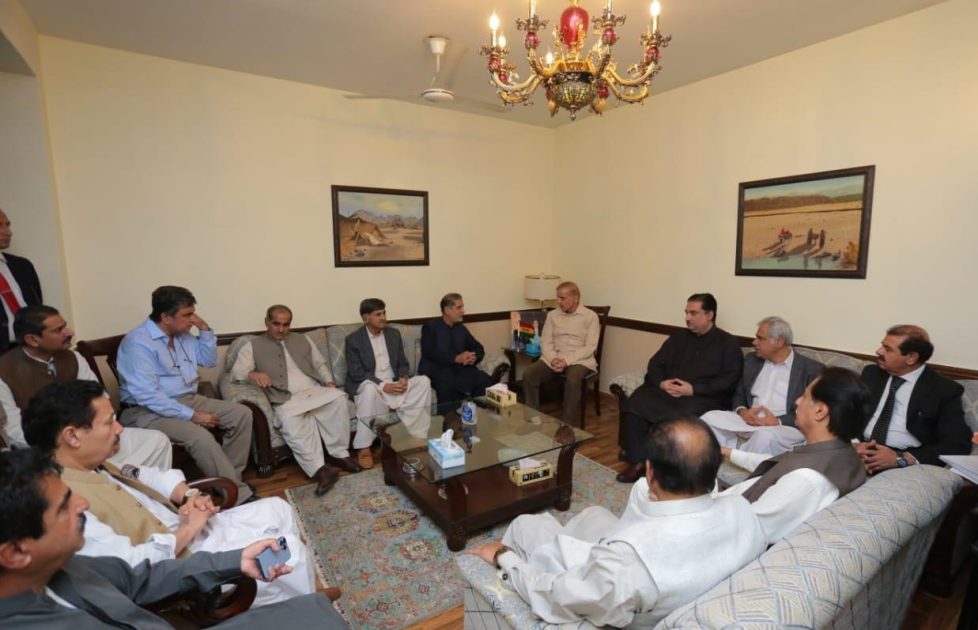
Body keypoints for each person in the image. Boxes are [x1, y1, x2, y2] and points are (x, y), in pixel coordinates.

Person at [22, 379, 319, 609]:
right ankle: (298, 607)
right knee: (292, 551)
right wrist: (187, 530)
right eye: (110, 421)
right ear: (72, 436)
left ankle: (290, 596)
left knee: (277, 509)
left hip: (189, 530)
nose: (120, 428)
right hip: (185, 562)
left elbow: (149, 475)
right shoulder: (64, 505)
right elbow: (131, 569)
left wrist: (189, 496)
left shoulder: (94, 465)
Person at [467, 416, 766, 627]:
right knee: (594, 514)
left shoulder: (625, 563)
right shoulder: (742, 510)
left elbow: (555, 597)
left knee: (525, 524)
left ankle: (522, 556)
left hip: (604, 582)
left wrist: (504, 557)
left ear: (650, 472)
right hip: (646, 569)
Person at [0, 447, 347, 628]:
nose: (83, 504)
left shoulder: (66, 567)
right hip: (176, 550)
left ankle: (306, 598)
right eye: (64, 505)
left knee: (312, 612)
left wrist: (234, 561)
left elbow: (141, 578)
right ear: (15, 552)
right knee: (314, 615)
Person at [116, 286, 254, 503]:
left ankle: (229, 483)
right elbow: (147, 395)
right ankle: (238, 496)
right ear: (165, 317)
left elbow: (209, 361)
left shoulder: (183, 335)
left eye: (193, 313)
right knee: (199, 436)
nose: (193, 319)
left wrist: (205, 329)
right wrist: (193, 416)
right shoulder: (138, 343)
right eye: (187, 315)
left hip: (187, 400)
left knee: (242, 414)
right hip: (145, 411)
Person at [0, 304, 171, 468]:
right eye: (58, 330)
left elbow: (99, 397)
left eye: (65, 326)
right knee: (99, 465)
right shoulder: (4, 371)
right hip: (45, 450)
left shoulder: (73, 358)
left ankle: (122, 483)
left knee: (156, 442)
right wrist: (65, 446)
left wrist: (101, 433)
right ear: (33, 340)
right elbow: (13, 430)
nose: (69, 332)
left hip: (90, 434)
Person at [717, 367, 871, 545]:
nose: (797, 401)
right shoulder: (840, 452)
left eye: (804, 396)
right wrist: (728, 452)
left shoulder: (805, 480)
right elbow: (779, 464)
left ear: (820, 411)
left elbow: (745, 530)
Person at [617, 293, 742, 483]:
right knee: (637, 401)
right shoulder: (678, 337)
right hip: (669, 392)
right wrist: (662, 383)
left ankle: (667, 467)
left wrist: (693, 389)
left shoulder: (728, 343)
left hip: (701, 397)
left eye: (693, 313)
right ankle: (638, 462)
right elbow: (655, 364)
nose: (687, 318)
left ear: (710, 315)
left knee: (683, 414)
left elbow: (729, 381)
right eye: (686, 312)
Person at [230, 304, 351, 494]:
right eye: (276, 324)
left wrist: (328, 382)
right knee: (288, 420)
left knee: (339, 399)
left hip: (313, 390)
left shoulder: (303, 339)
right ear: (266, 322)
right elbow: (236, 373)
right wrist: (252, 374)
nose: (281, 329)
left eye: (286, 325)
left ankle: (340, 454)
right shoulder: (252, 346)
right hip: (285, 397)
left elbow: (319, 364)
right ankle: (321, 470)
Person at [855, 325, 971, 472]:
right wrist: (853, 444)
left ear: (911, 358)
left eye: (887, 349)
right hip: (860, 447)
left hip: (903, 457)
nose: (879, 351)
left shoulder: (944, 390)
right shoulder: (871, 374)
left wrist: (902, 459)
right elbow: (845, 412)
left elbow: (957, 443)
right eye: (882, 345)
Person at [701, 316, 822, 456]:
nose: (754, 342)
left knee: (764, 436)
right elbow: (739, 392)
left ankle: (737, 457)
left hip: (782, 426)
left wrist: (778, 421)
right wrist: (742, 411)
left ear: (779, 341)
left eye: (760, 338)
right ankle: (724, 454)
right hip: (748, 420)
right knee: (709, 418)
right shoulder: (751, 360)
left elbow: (812, 410)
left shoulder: (810, 370)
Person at [344, 298, 431, 469]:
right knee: (369, 389)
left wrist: (403, 378)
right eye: (378, 314)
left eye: (384, 313)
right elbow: (356, 373)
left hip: (393, 383)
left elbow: (402, 363)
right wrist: (384, 386)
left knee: (423, 381)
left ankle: (418, 436)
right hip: (372, 384)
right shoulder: (353, 340)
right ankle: (364, 448)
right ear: (365, 317)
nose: (383, 317)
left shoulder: (393, 334)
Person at [520, 281, 599, 427]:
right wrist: (553, 359)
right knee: (529, 374)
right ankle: (532, 419)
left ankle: (566, 425)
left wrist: (566, 361)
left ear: (575, 298)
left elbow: (590, 347)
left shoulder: (591, 317)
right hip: (554, 357)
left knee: (573, 380)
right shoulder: (552, 315)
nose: (559, 302)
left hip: (579, 360)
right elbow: (545, 342)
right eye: (558, 298)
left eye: (562, 298)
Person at [418, 293, 492, 412]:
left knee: (484, 379)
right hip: (438, 370)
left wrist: (473, 357)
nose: (463, 311)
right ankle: (449, 420)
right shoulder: (430, 327)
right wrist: (455, 358)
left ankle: (480, 415)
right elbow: (430, 352)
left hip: (461, 369)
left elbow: (478, 347)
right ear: (447, 310)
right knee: (446, 386)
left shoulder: (460, 328)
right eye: (459, 307)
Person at [0, 209, 42, 354]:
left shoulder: (23, 266)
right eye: (0, 226)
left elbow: (37, 307)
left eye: (7, 225)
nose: (9, 232)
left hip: (33, 349)